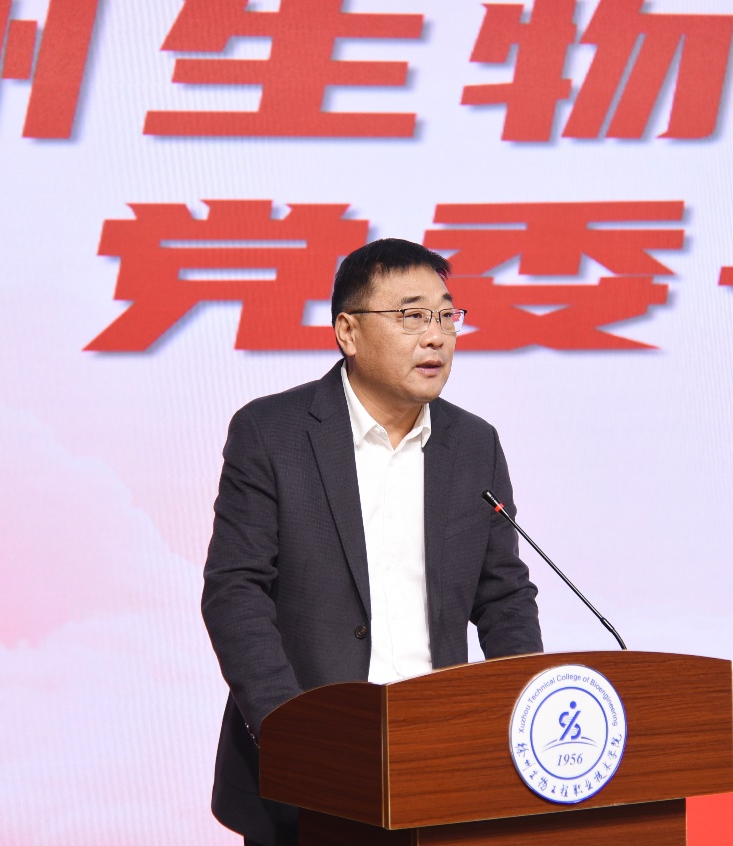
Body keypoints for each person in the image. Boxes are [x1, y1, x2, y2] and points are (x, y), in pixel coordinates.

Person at [202, 238, 543, 845]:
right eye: (412, 316)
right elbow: (236, 592)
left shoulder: (474, 445)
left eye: (447, 315)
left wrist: (522, 719)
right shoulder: (272, 433)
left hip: (438, 762)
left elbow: (504, 597)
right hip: (308, 771)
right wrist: (291, 731)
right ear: (348, 332)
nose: (436, 337)